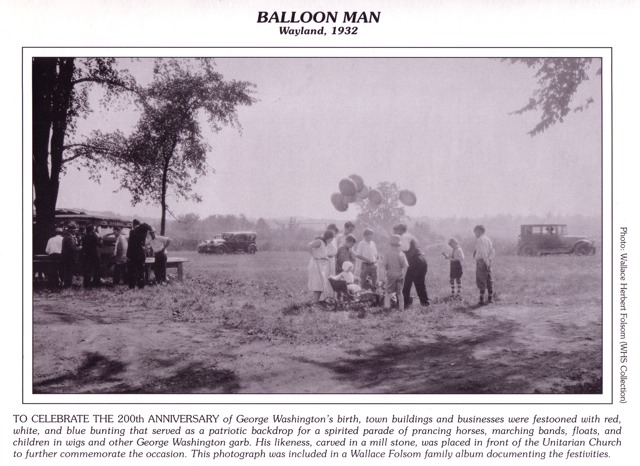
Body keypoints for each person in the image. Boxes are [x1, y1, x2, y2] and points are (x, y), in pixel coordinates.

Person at [393, 223, 430, 307]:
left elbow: (405, 248)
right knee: (419, 283)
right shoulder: (410, 236)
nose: (395, 231)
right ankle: (424, 303)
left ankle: (404, 304)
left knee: (406, 282)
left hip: (415, 261)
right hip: (421, 260)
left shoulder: (404, 236)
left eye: (396, 230)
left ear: (401, 230)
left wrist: (396, 247)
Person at [380, 234, 409, 311]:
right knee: (399, 292)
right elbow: (406, 266)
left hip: (391, 274)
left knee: (388, 291)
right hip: (399, 273)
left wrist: (382, 276)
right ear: (399, 245)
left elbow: (383, 265)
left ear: (391, 245)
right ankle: (401, 308)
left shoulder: (387, 253)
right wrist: (403, 275)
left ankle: (386, 306)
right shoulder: (402, 254)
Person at [307, 229, 334, 303]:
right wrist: (314, 256)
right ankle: (315, 303)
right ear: (329, 238)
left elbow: (320, 253)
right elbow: (309, 246)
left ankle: (317, 301)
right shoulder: (319, 241)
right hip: (316, 265)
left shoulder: (324, 244)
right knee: (319, 285)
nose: (331, 241)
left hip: (321, 265)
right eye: (331, 239)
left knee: (321, 285)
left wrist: (326, 257)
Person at [473, 225, 495, 305]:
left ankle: (481, 300)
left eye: (475, 232)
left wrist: (486, 262)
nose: (475, 234)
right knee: (489, 279)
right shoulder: (488, 239)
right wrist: (489, 260)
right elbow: (492, 251)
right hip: (487, 260)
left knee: (481, 279)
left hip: (482, 261)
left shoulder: (480, 240)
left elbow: (483, 253)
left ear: (479, 231)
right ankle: (490, 298)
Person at [127, 220, 152, 289]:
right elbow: (148, 226)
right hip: (141, 253)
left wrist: (128, 255)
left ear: (133, 224)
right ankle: (141, 286)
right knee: (141, 270)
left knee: (132, 271)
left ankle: (132, 286)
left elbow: (130, 245)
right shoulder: (143, 230)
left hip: (133, 254)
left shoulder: (132, 232)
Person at [60, 224, 80, 288]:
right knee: (69, 271)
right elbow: (72, 248)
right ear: (71, 231)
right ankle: (68, 285)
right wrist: (80, 248)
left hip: (67, 257)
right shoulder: (69, 238)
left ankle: (67, 284)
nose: (75, 232)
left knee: (68, 271)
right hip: (69, 257)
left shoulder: (67, 236)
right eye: (74, 230)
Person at [325, 224, 340, 289]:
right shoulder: (324, 238)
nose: (334, 233)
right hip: (326, 258)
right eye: (333, 231)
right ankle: (325, 295)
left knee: (332, 276)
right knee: (326, 276)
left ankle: (331, 294)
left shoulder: (334, 239)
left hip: (333, 259)